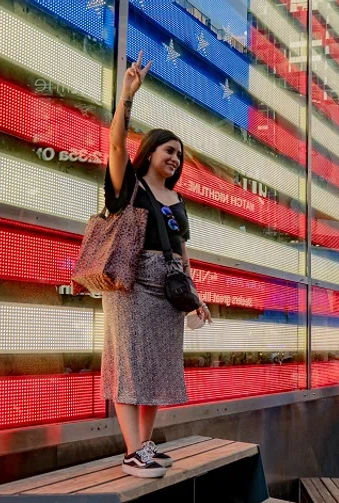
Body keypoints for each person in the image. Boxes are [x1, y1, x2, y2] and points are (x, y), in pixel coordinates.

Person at [104, 52, 212, 478]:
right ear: (150, 152)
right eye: (169, 151)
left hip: (169, 288)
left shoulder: (177, 200)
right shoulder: (128, 186)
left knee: (156, 369)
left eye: (180, 156)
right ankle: (133, 451)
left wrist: (194, 295)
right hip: (132, 284)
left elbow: (183, 249)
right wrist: (127, 98)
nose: (176, 159)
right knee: (130, 363)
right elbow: (115, 144)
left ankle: (145, 445)